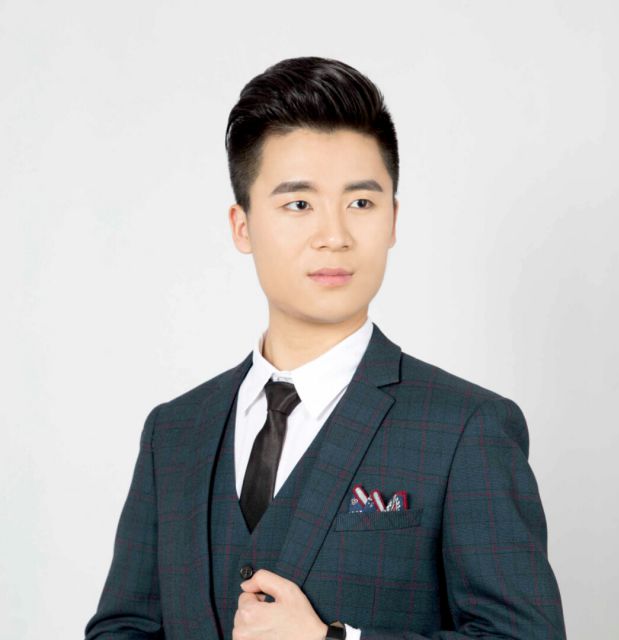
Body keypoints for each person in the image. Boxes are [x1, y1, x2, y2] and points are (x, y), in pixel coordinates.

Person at [84, 56, 566, 640]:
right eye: (299, 204)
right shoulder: (174, 432)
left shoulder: (467, 427)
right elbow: (123, 628)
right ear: (242, 225)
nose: (334, 235)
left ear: (393, 220)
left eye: (361, 203)